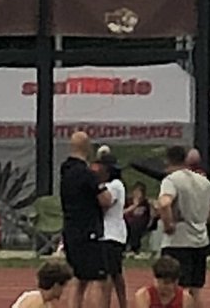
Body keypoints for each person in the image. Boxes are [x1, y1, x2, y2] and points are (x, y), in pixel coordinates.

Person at [157, 144, 210, 308]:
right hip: (200, 240)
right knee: (195, 289)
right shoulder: (201, 179)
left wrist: (168, 224)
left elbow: (164, 203)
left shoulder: (171, 180)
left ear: (168, 160)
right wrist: (207, 218)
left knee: (176, 289)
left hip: (178, 241)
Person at [60, 130, 113, 308]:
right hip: (88, 231)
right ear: (87, 147)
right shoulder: (87, 174)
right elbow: (105, 200)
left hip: (70, 229)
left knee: (79, 277)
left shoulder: (65, 171)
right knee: (99, 279)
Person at [99, 156, 127, 308]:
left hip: (111, 234)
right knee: (116, 273)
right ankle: (123, 303)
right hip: (112, 234)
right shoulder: (111, 185)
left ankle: (106, 304)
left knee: (108, 274)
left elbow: (105, 202)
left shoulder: (115, 185)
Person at [124, 184, 153, 255]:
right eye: (135, 191)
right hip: (128, 221)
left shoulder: (145, 203)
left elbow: (151, 214)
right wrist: (134, 205)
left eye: (139, 192)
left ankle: (134, 247)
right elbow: (124, 212)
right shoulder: (128, 201)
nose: (137, 194)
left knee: (135, 226)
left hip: (141, 222)